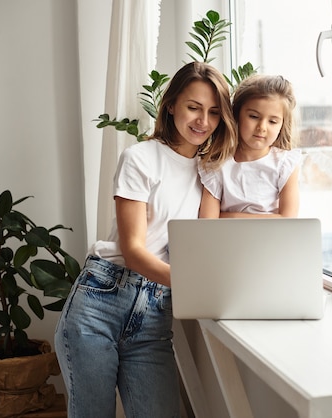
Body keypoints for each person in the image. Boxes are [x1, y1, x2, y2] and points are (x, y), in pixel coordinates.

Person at [54, 61, 236, 418]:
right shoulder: (140, 158)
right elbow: (135, 252)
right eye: (193, 107)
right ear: (171, 105)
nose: (203, 121)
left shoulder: (212, 172)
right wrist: (199, 288)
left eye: (214, 112)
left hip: (155, 313)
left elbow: (206, 242)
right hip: (100, 303)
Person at [199, 74, 301, 218]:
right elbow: (208, 222)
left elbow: (288, 220)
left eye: (272, 121)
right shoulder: (217, 165)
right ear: (237, 114)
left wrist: (231, 217)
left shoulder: (285, 164)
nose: (262, 127)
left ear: (282, 125)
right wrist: (271, 218)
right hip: (226, 240)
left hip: (273, 240)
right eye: (253, 116)